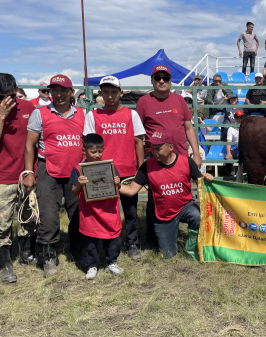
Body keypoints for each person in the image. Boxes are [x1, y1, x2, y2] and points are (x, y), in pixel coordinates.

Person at [23, 74, 85, 276]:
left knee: (78, 213)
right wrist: (29, 172)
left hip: (75, 171)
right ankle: (48, 255)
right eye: (54, 90)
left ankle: (79, 250)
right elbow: (29, 146)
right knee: (49, 216)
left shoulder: (82, 114)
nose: (58, 94)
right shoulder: (40, 113)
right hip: (47, 168)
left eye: (63, 90)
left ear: (71, 92)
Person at [120, 130, 213, 259]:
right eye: (152, 148)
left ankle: (192, 248)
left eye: (158, 148)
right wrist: (112, 186)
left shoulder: (186, 161)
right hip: (163, 213)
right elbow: (131, 190)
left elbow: (202, 186)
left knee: (197, 216)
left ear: (171, 147)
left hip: (186, 206)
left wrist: (208, 179)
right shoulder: (147, 166)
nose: (154, 152)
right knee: (167, 255)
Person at [83, 76, 146, 261]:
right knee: (104, 212)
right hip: (102, 172)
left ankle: (132, 243)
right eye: (106, 92)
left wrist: (141, 169)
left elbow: (138, 142)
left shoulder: (131, 114)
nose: (110, 96)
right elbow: (88, 145)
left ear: (121, 93)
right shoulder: (92, 115)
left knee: (131, 211)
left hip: (127, 171)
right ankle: (106, 244)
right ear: (100, 93)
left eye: (113, 92)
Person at [0, 73, 37, 283]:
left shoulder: (29, 108)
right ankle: (4, 264)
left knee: (29, 217)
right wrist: (1, 116)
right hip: (0, 175)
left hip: (26, 173)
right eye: (0, 97)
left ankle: (26, 254)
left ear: (16, 89)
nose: (5, 101)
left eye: (9, 96)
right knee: (1, 223)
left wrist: (31, 171)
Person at [70, 134, 123, 280]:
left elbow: (118, 188)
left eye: (100, 151)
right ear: (84, 150)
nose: (97, 155)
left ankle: (111, 262)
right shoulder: (77, 169)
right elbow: (74, 192)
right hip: (90, 212)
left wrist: (118, 182)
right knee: (90, 241)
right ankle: (92, 265)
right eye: (93, 152)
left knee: (113, 238)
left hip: (108, 210)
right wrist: (80, 183)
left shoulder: (109, 166)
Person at [225, 110, 245, 176]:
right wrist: (228, 153)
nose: (242, 119)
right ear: (235, 119)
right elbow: (228, 142)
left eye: (243, 117)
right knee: (228, 159)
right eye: (240, 117)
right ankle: (231, 176)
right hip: (236, 148)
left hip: (245, 149)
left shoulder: (247, 127)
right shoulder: (231, 129)